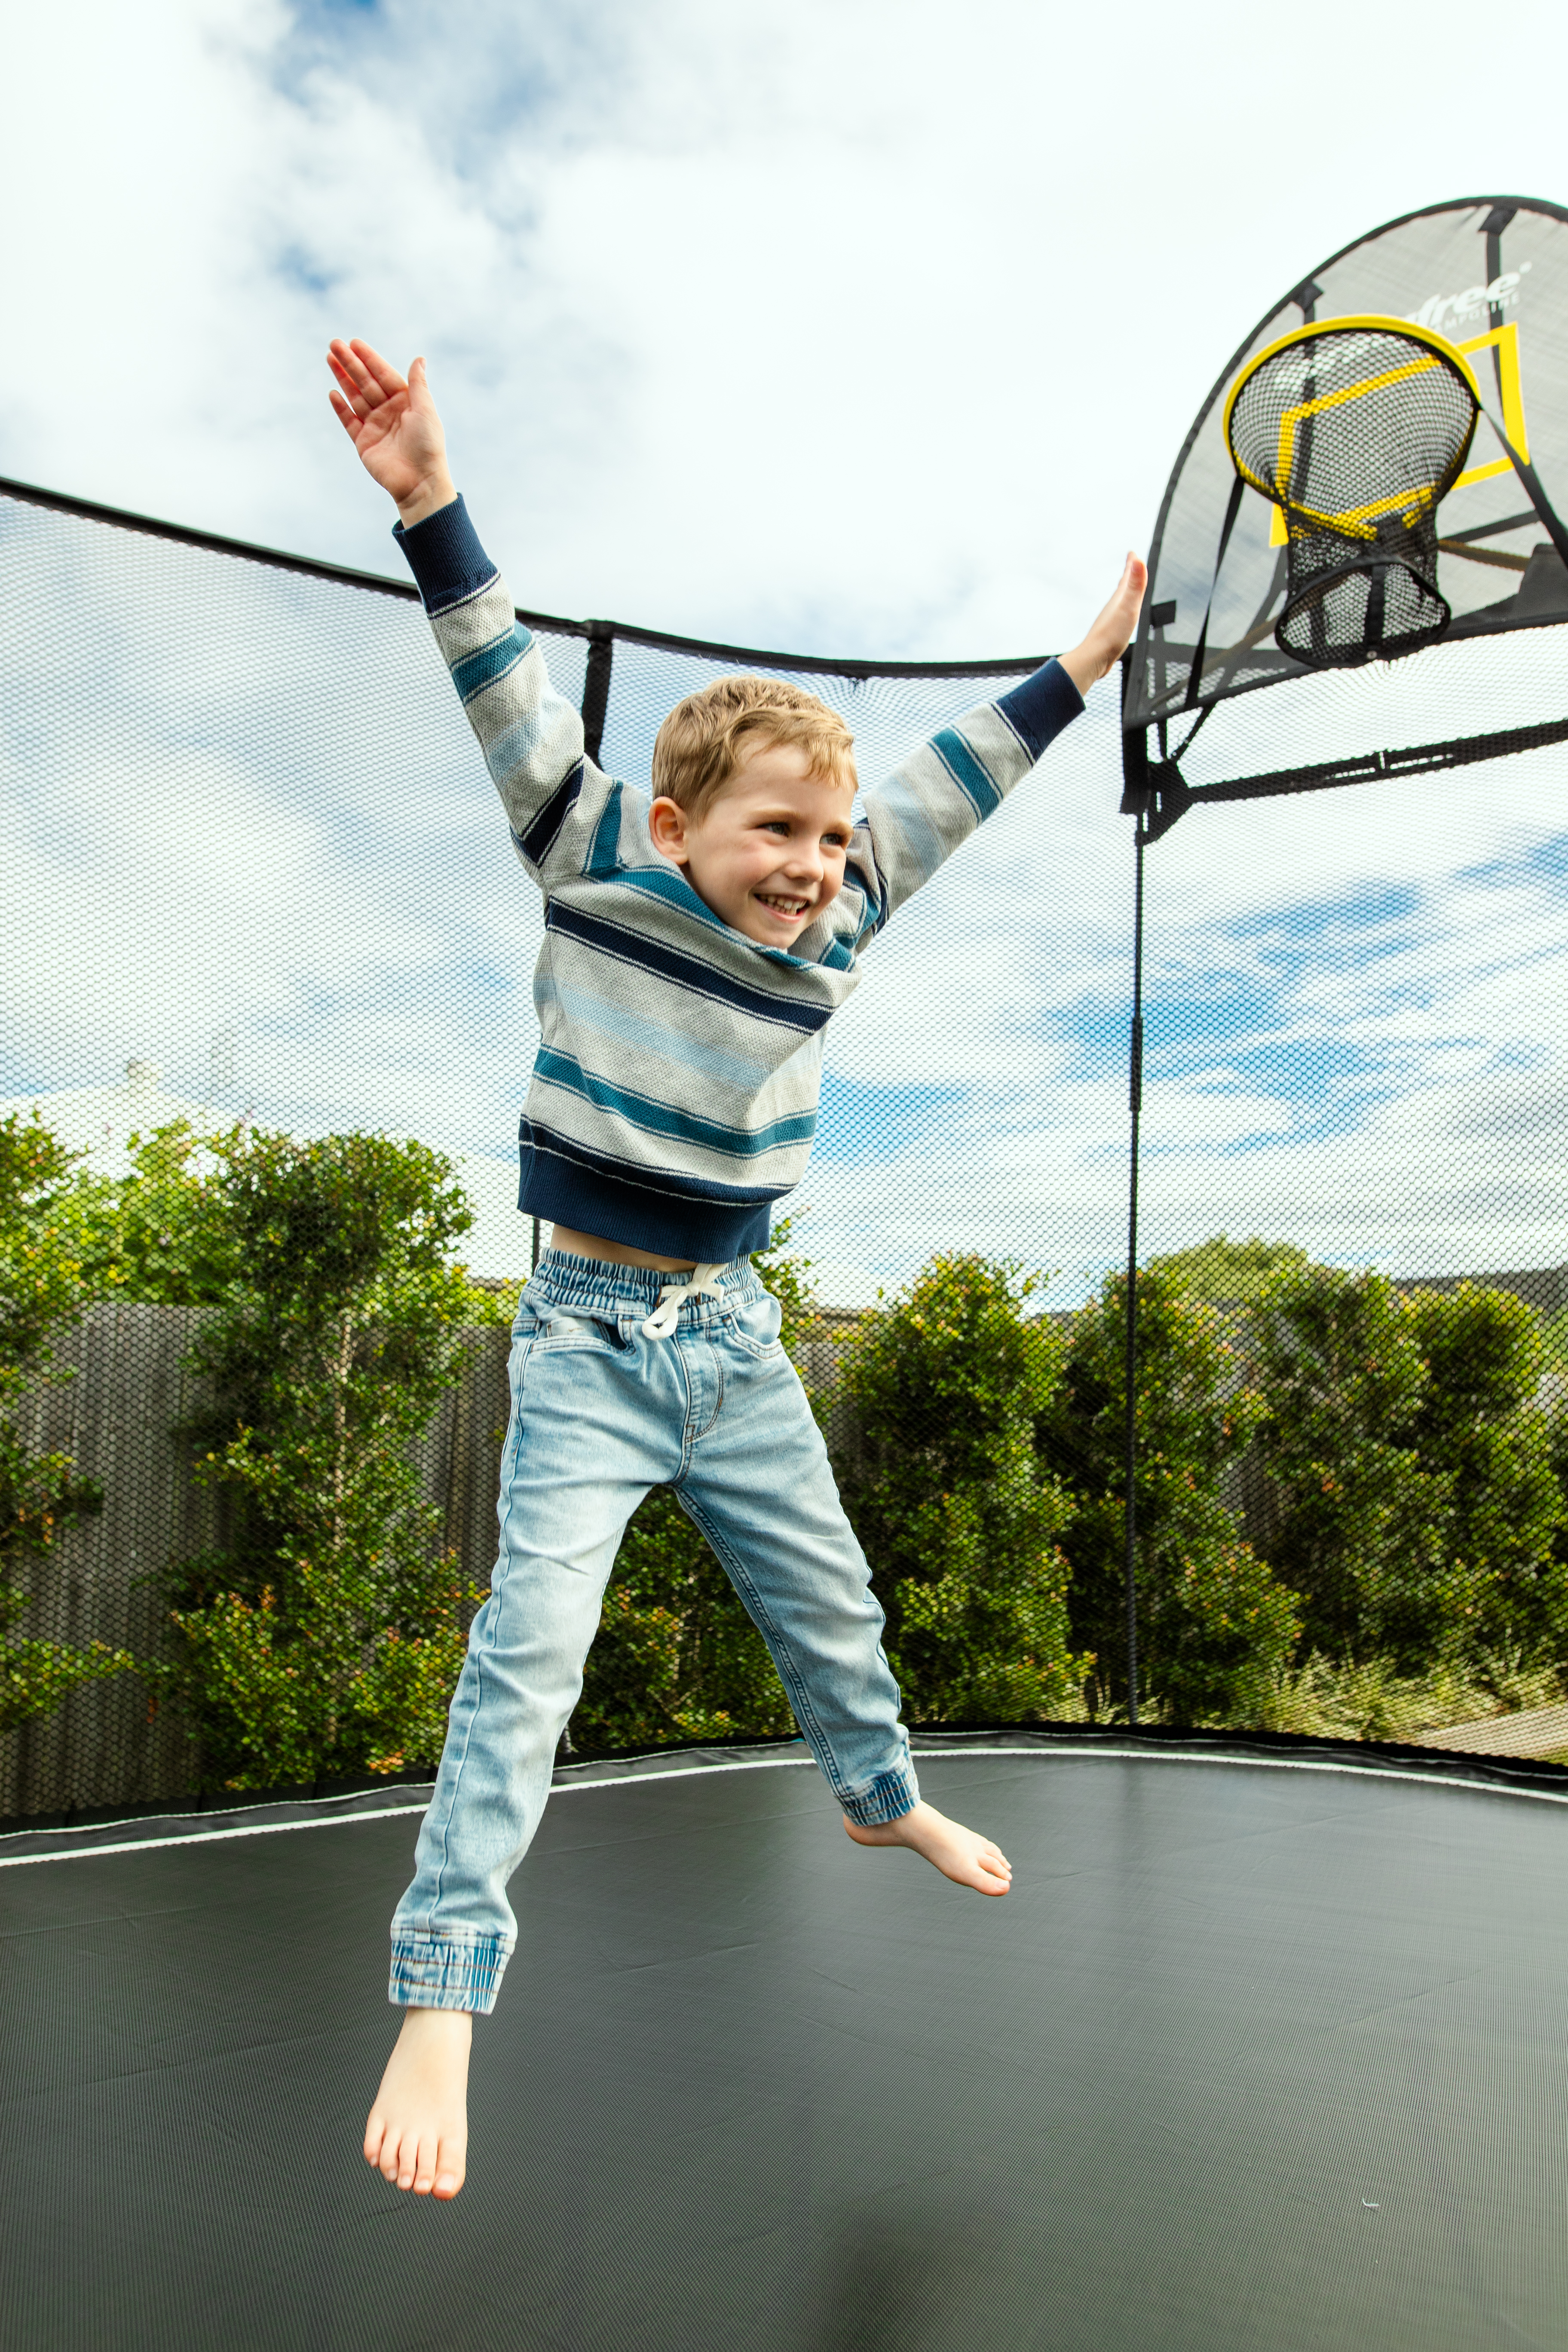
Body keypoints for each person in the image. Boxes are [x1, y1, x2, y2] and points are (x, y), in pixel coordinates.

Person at [327, 337, 1146, 2202]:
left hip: (735, 1338)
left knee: (834, 1606)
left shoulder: (847, 900)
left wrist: (1086, 661)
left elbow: (968, 774)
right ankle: (446, 1991)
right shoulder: (594, 848)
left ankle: (879, 1803)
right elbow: (498, 676)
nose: (815, 864)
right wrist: (426, 493)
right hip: (592, 1341)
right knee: (526, 1663)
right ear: (685, 826)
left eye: (832, 836)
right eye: (778, 830)